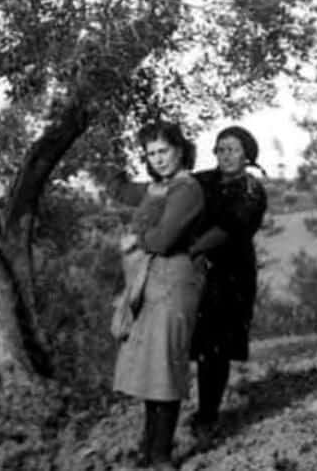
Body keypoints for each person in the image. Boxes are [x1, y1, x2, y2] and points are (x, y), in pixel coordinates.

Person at [112, 121, 207, 470]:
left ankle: (161, 456)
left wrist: (137, 240)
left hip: (174, 282)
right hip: (152, 282)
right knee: (151, 370)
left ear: (179, 150)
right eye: (151, 153)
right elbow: (123, 192)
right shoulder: (161, 187)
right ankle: (149, 450)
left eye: (163, 151)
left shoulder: (187, 189)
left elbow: (165, 239)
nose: (158, 159)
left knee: (165, 367)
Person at [187, 125, 268, 439]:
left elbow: (228, 229)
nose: (226, 155)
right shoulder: (203, 180)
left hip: (230, 275)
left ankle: (208, 417)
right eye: (220, 149)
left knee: (215, 347)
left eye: (232, 149)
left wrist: (191, 250)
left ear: (247, 154)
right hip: (197, 270)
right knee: (197, 344)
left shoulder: (251, 190)